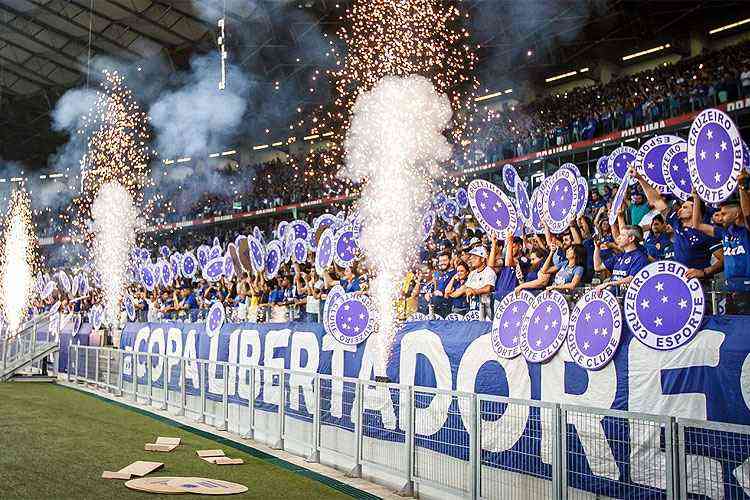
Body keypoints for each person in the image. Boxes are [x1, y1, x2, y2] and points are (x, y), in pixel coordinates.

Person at [631, 165, 723, 279]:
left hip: (701, 285)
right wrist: (639, 178)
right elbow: (656, 200)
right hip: (679, 283)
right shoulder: (676, 222)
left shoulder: (706, 231)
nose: (680, 209)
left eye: (685, 207)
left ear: (696, 210)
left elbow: (723, 260)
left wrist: (704, 272)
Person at [689, 177, 750, 312]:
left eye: (724, 214)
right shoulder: (724, 232)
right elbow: (696, 225)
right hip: (731, 291)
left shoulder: (746, 230)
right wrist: (696, 198)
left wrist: (741, 187)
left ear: (737, 214)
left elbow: (747, 214)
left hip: (747, 291)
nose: (720, 217)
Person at [593, 225, 649, 293]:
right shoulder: (619, 256)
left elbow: (632, 279)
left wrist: (608, 284)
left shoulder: (640, 257)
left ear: (631, 238)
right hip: (613, 297)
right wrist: (597, 248)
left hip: (626, 299)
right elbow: (597, 267)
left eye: (622, 235)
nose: (619, 238)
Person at [462, 246, 496, 314]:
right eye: (471, 258)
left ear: (483, 259)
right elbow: (466, 288)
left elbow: (488, 288)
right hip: (472, 307)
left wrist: (474, 291)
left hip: (485, 308)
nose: (472, 260)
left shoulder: (489, 271)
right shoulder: (472, 273)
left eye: (475, 258)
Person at [430, 252, 456, 317]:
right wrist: (431, 294)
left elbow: (453, 291)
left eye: (444, 260)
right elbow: (436, 290)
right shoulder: (439, 274)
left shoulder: (455, 273)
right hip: (437, 308)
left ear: (450, 261)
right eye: (440, 261)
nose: (442, 263)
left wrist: (443, 294)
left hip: (448, 309)